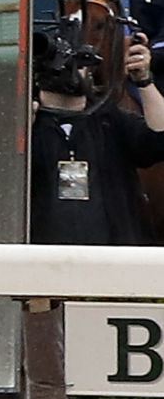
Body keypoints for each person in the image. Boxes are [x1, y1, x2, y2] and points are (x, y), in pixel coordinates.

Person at [29, 29, 164, 245]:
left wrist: (144, 81)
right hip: (40, 261)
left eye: (77, 62)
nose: (67, 69)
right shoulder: (26, 127)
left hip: (112, 259)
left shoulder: (111, 121)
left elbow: (159, 138)